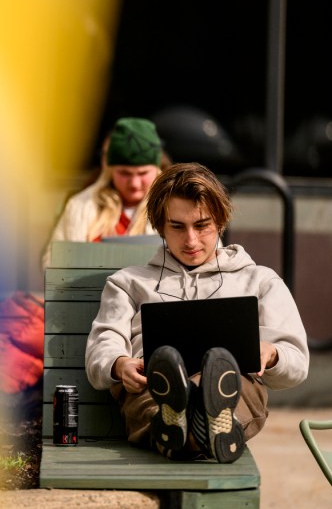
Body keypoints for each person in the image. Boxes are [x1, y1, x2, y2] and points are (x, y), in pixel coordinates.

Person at [85, 162, 309, 463]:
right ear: (160, 226)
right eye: (177, 227)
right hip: (154, 387)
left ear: (220, 221)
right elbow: (103, 345)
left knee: (226, 380)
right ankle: (201, 426)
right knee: (161, 393)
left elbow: (297, 362)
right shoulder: (128, 283)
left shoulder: (260, 280)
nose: (191, 240)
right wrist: (119, 365)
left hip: (233, 387)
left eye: (201, 225)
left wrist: (271, 353)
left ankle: (185, 425)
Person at [41, 117, 166, 268]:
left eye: (142, 173)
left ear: (157, 169)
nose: (134, 183)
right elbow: (52, 261)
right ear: (110, 170)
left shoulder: (170, 207)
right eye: (124, 173)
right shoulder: (80, 206)